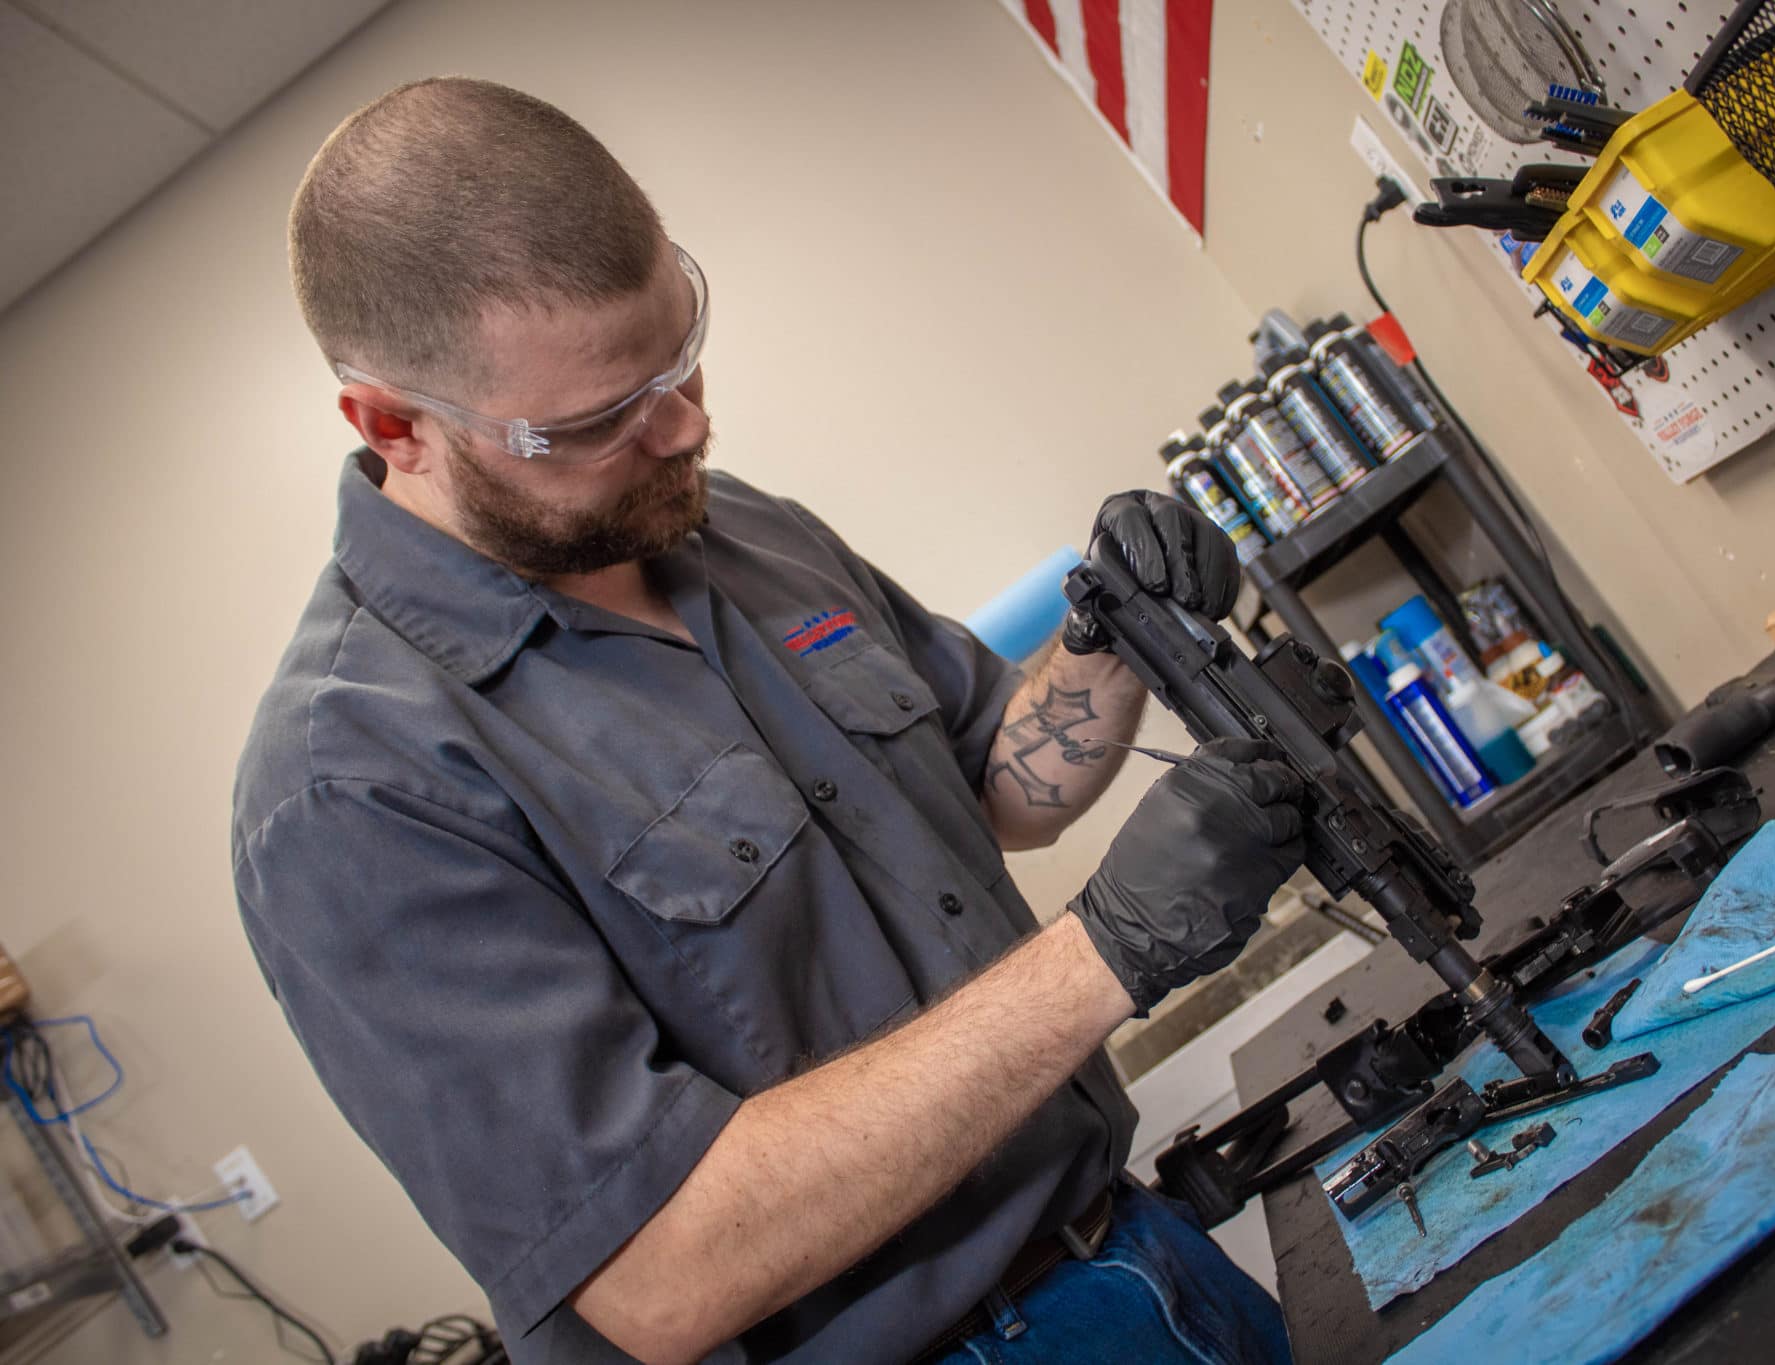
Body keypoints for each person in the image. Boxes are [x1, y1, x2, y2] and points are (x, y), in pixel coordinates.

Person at [234, 77, 1305, 1365]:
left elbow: (994, 793)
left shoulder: (723, 521)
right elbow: (666, 1275)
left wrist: (1111, 637)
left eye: (680, 354)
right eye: (596, 421)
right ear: (392, 425)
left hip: (1131, 1254)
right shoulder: (351, 787)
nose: (687, 425)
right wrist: (1114, 948)